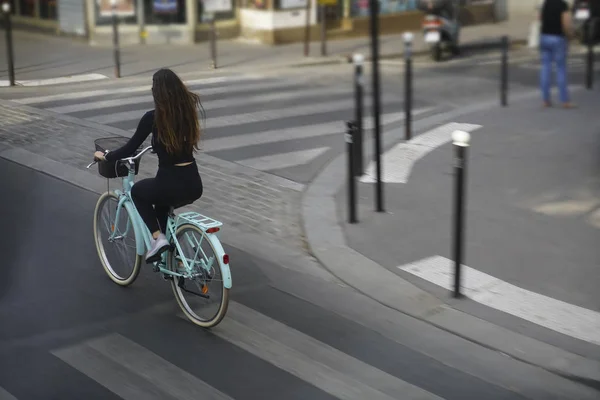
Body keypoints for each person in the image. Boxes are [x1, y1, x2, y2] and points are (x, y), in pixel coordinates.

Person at [94, 68, 205, 263]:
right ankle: (169, 255)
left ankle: (157, 237)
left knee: (138, 191)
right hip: (194, 184)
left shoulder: (153, 118)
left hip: (170, 183)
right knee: (161, 204)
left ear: (158, 93)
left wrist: (106, 156)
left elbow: (129, 149)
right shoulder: (187, 113)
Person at [539, 0, 575, 108]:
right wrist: (570, 35)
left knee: (545, 68)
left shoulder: (546, 3)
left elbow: (540, 17)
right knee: (561, 68)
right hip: (558, 38)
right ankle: (565, 101)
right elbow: (566, 23)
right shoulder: (563, 5)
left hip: (544, 37)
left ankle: (545, 100)